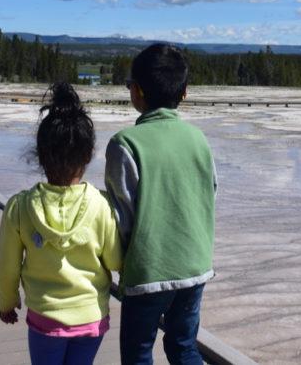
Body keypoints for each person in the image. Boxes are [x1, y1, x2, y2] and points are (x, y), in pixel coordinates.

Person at [0, 83, 123, 365]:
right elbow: (114, 260)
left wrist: (7, 301)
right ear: (88, 155)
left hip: (46, 318)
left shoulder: (19, 207)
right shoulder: (101, 205)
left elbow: (6, 265)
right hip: (91, 316)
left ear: (40, 155)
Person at [105, 44, 217, 365]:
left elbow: (120, 216)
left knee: (139, 352)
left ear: (137, 91)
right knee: (184, 347)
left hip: (147, 269)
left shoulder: (125, 143)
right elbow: (209, 193)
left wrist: (116, 265)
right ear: (184, 93)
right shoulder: (199, 139)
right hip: (195, 265)